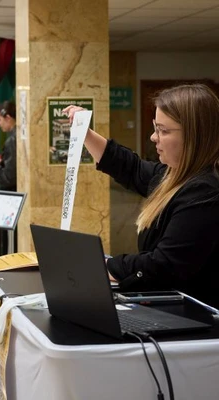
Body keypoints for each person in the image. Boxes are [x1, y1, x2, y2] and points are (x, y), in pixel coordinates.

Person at [64, 83, 219, 309]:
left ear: (196, 136)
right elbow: (130, 167)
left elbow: (163, 265)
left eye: (164, 131)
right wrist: (85, 133)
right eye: (156, 128)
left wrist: (105, 266)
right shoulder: (172, 176)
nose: (153, 137)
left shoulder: (205, 192)